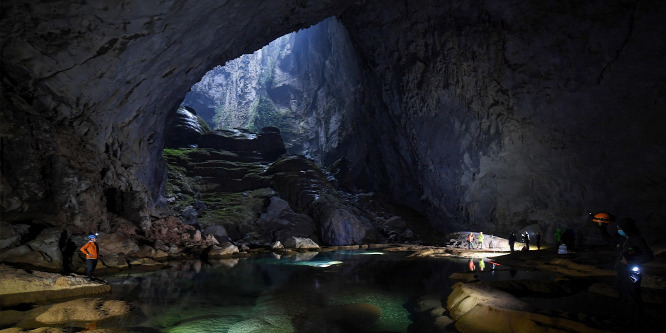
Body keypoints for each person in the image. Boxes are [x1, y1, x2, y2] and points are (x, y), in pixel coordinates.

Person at [615, 218, 654, 328]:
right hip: (622, 272)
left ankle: (636, 323)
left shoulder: (636, 239)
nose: (618, 229)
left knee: (632, 298)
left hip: (631, 273)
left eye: (620, 228)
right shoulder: (625, 239)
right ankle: (627, 320)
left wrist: (630, 261)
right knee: (624, 298)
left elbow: (649, 256)